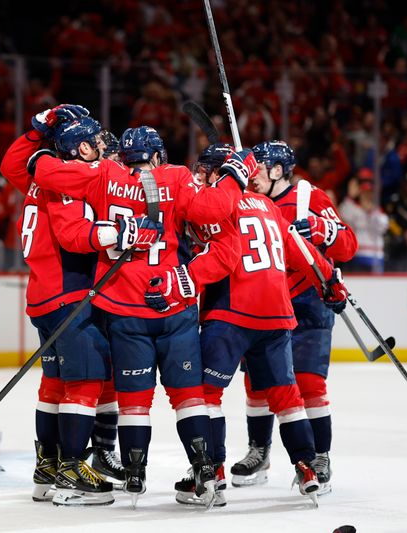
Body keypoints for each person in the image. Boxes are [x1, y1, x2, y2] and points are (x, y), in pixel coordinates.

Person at [33, 124, 251, 507]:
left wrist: (37, 154)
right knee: (188, 396)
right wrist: (235, 175)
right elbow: (215, 208)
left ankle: (134, 475)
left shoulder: (104, 173)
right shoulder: (178, 176)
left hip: (120, 304)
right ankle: (205, 472)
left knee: (134, 399)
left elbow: (49, 175)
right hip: (173, 302)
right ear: (156, 155)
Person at [145, 143, 350, 507]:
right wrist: (328, 280)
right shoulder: (268, 205)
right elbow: (299, 249)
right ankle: (307, 467)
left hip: (231, 312)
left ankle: (213, 471)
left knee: (207, 394)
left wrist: (181, 280)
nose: (199, 177)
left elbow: (220, 255)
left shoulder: (221, 206)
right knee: (286, 396)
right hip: (277, 312)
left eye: (206, 171)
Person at [0, 105, 129, 506]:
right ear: (80, 149)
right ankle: (72, 468)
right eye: (95, 143)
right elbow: (75, 235)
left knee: (54, 383)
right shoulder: (67, 180)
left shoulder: (41, 180)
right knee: (86, 379)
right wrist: (116, 233)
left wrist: (36, 132)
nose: (102, 148)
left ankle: (48, 466)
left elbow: (9, 165)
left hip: (43, 294)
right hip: (67, 294)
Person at [229, 141, 358, 495]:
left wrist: (319, 229)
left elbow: (348, 244)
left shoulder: (308, 198)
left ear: (276, 170)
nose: (252, 175)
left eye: (258, 169)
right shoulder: (249, 199)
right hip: (267, 303)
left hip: (308, 303)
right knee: (258, 385)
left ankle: (320, 456)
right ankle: (260, 451)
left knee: (308, 383)